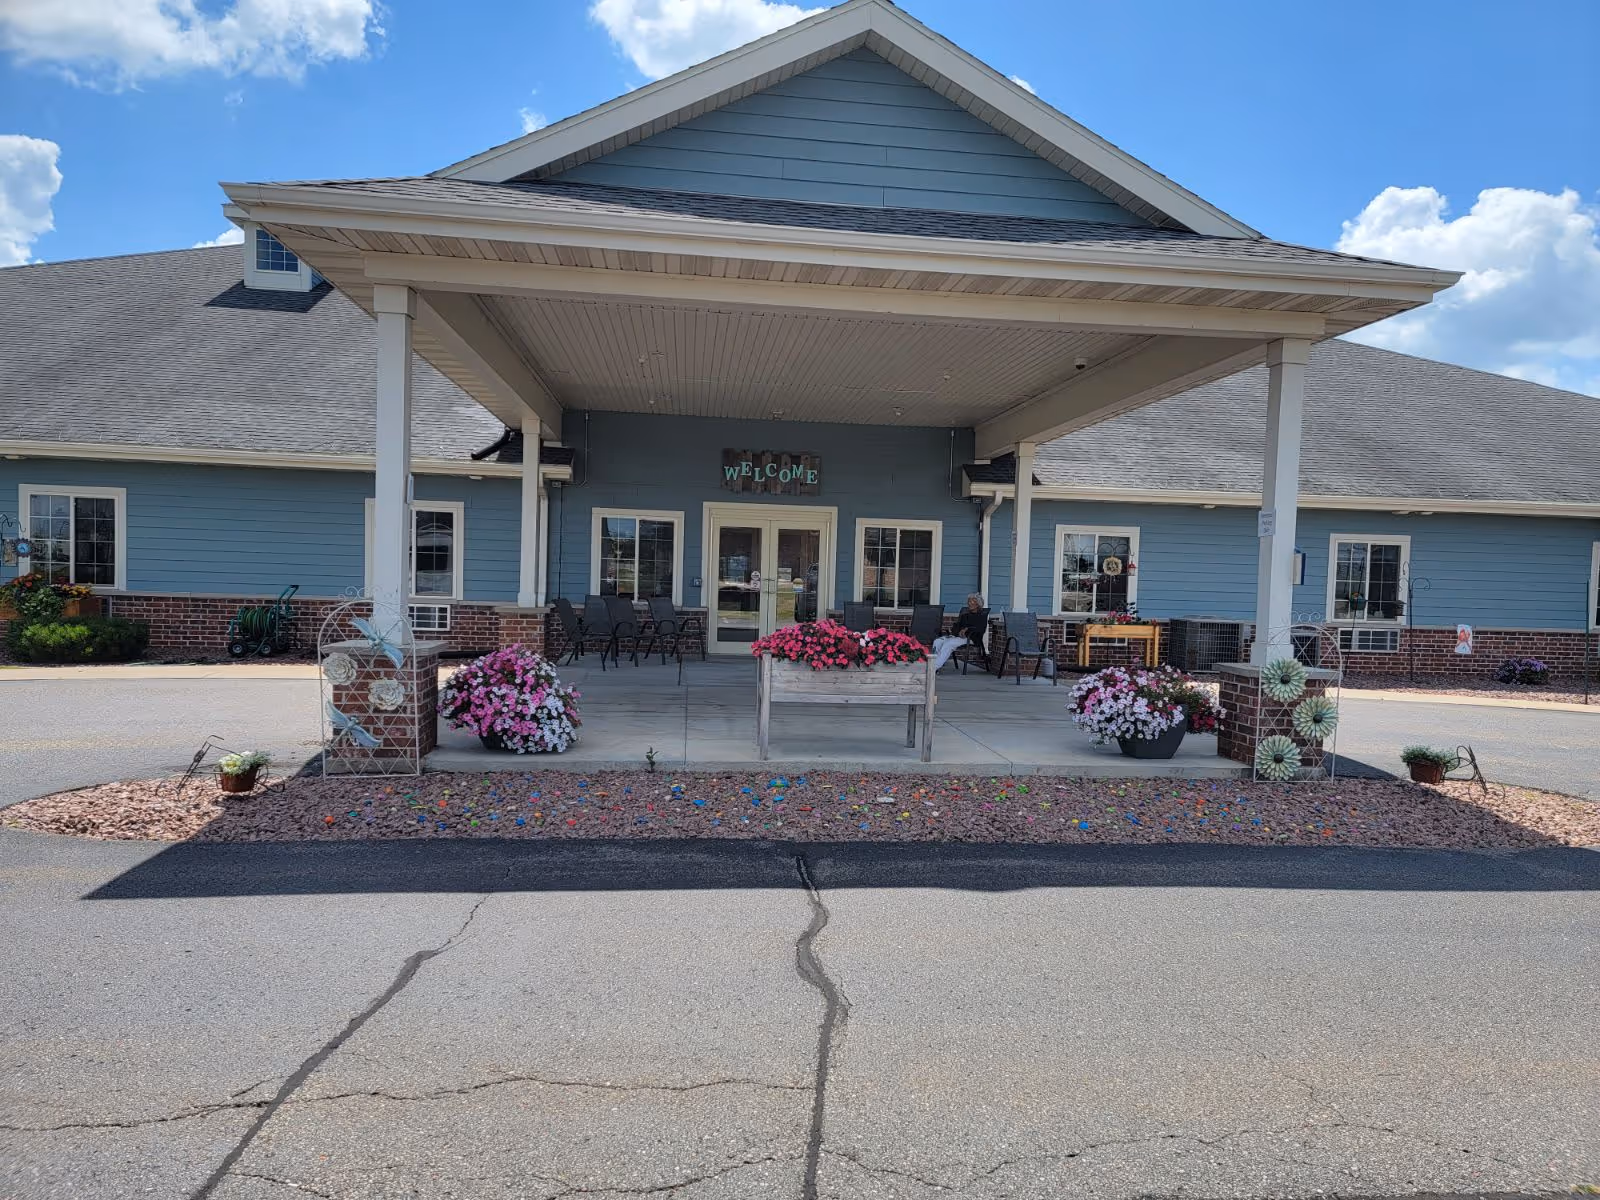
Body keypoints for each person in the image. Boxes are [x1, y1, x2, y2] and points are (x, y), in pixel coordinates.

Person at [932, 593, 988, 671]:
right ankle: (933, 663)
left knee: (949, 643)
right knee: (938, 641)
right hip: (958, 637)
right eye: (968, 601)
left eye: (971, 602)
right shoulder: (965, 616)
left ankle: (934, 668)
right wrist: (958, 632)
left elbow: (980, 629)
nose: (969, 604)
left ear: (977, 604)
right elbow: (956, 627)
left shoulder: (982, 616)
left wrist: (966, 630)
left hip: (971, 638)